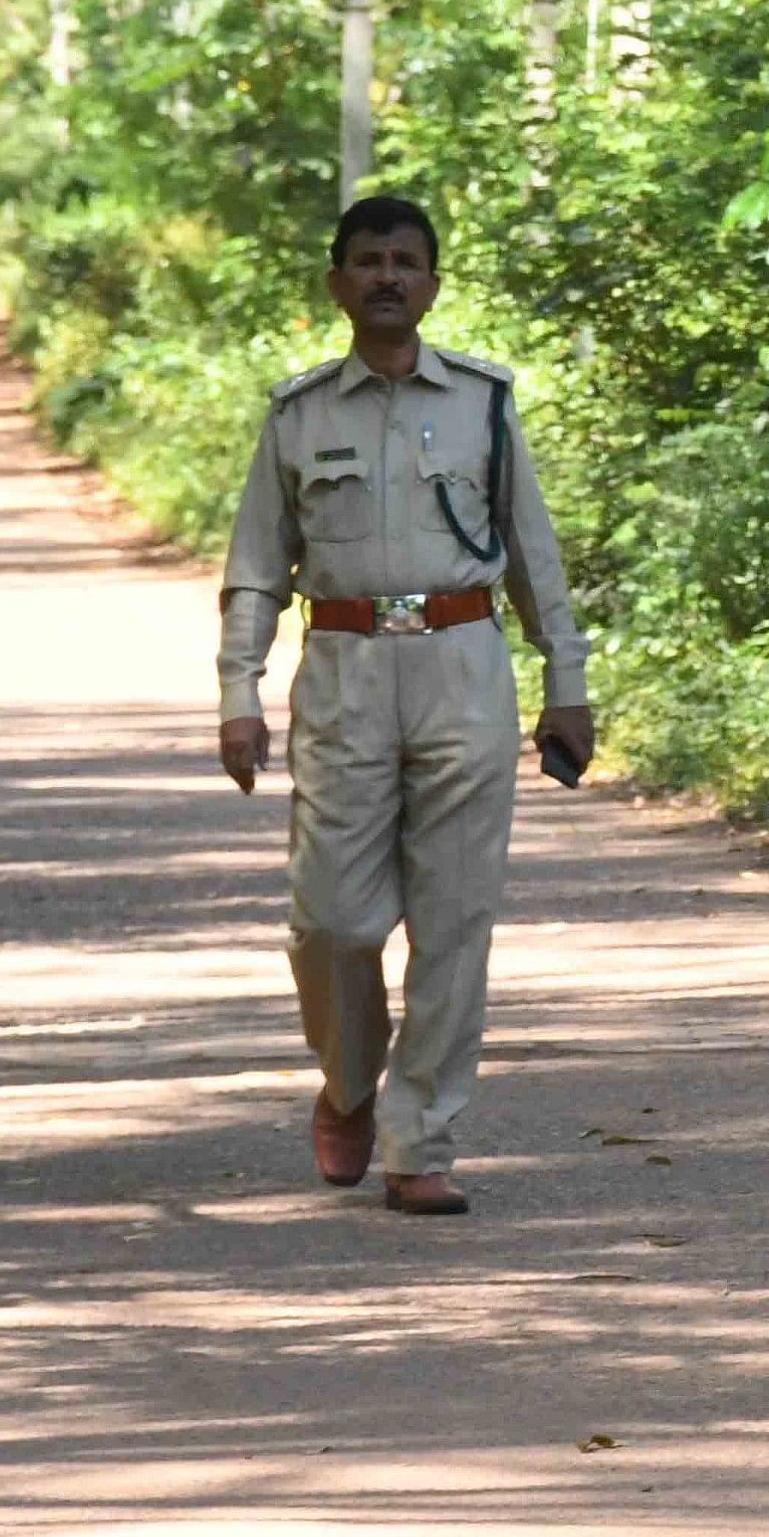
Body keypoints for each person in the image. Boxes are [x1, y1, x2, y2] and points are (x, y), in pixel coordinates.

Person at [215, 194, 596, 1217]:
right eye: (368, 260)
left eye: (406, 261)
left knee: (453, 918)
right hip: (341, 667)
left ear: (432, 283)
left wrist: (568, 683)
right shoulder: (298, 414)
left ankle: (418, 1136)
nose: (387, 275)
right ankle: (348, 1080)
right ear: (337, 280)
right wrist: (237, 690)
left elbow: (534, 554)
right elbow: (256, 565)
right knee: (331, 920)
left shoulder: (481, 402)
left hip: (462, 664)